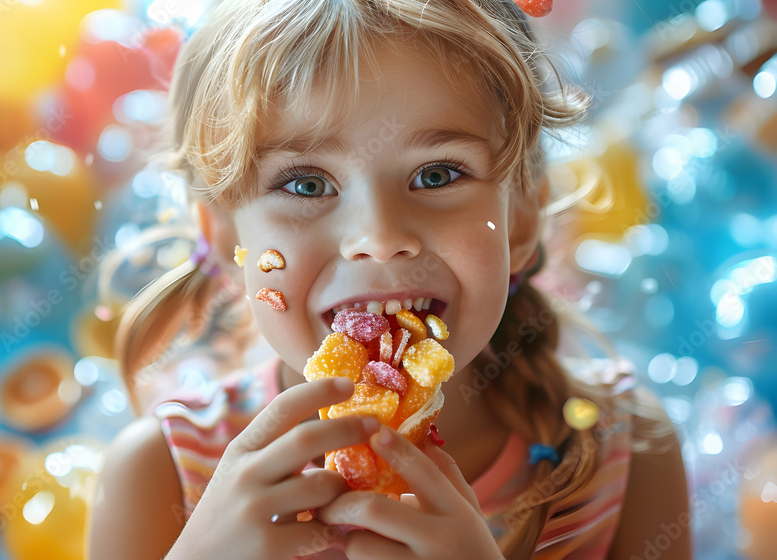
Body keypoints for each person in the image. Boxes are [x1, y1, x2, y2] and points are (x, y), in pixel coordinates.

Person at [86, 0, 691, 558]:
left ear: (521, 219)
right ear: (224, 237)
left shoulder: (625, 450)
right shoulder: (160, 477)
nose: (377, 236)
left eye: (436, 174)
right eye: (305, 184)